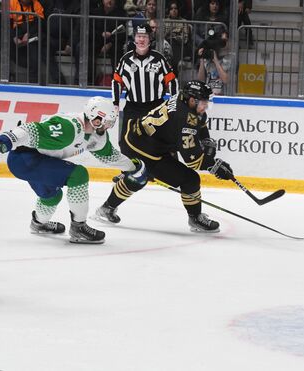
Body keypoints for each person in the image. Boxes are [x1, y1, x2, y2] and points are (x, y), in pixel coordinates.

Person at [0, 97, 146, 244]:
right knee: (79, 175)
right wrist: (9, 138)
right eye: (105, 121)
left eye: (110, 123)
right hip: (25, 159)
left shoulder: (97, 136)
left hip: (38, 161)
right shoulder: (70, 127)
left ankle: (39, 224)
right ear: (94, 117)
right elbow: (32, 129)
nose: (107, 126)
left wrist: (133, 168)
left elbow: (110, 156)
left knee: (52, 196)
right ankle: (78, 228)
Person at [95, 80, 234, 233]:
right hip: (142, 148)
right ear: (193, 100)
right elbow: (193, 162)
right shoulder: (184, 118)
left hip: (144, 138)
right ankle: (195, 218)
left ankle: (108, 206)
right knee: (187, 179)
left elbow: (199, 123)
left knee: (140, 178)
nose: (206, 106)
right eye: (204, 102)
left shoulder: (184, 101)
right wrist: (214, 166)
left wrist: (205, 141)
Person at [113, 23, 178, 152]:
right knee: (126, 143)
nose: (141, 40)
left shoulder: (159, 59)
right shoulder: (125, 60)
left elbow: (172, 81)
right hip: (132, 108)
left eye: (145, 36)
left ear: (150, 39)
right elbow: (116, 82)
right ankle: (128, 172)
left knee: (161, 142)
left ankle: (165, 171)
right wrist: (116, 103)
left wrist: (173, 102)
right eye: (139, 36)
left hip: (156, 107)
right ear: (134, 38)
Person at [9, 0, 46, 83]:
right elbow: (8, 23)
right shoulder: (11, 3)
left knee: (34, 54)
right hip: (16, 31)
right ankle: (6, 77)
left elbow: (40, 22)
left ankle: (34, 81)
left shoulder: (36, 4)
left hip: (33, 32)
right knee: (6, 45)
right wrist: (14, 36)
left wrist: (29, 33)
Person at [197, 29, 231, 95]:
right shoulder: (208, 59)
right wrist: (201, 60)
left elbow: (226, 80)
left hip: (224, 98)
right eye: (220, 42)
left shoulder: (231, 58)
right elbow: (200, 80)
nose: (222, 44)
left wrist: (216, 61)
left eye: (224, 41)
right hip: (208, 96)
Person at [165, 0, 192, 74]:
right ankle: (173, 79)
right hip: (167, 45)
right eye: (171, 9)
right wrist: (176, 32)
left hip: (180, 45)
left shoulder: (184, 21)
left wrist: (173, 36)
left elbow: (185, 38)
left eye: (175, 8)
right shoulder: (164, 21)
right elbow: (162, 36)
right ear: (169, 10)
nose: (174, 11)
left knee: (173, 61)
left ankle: (171, 79)